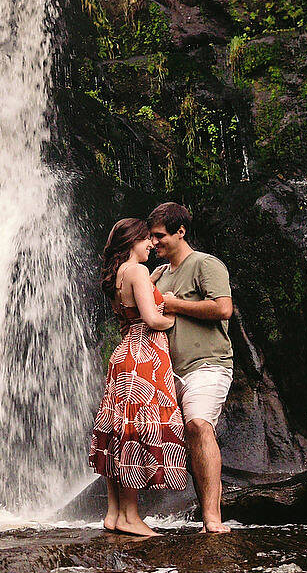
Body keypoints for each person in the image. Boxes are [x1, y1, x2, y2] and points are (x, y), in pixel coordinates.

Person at [88, 218, 191, 537]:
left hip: (123, 356)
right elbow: (151, 319)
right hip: (143, 357)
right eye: (146, 239)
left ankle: (114, 513)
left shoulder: (119, 275)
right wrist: (172, 314)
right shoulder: (137, 271)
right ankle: (131, 517)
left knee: (119, 430)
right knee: (135, 432)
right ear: (132, 241)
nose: (151, 244)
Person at [148, 202, 234, 534]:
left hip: (208, 364)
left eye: (159, 236)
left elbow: (223, 308)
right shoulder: (159, 274)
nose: (154, 243)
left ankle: (212, 519)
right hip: (170, 371)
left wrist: (172, 303)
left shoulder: (204, 264)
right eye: (152, 238)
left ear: (180, 231)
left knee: (198, 425)